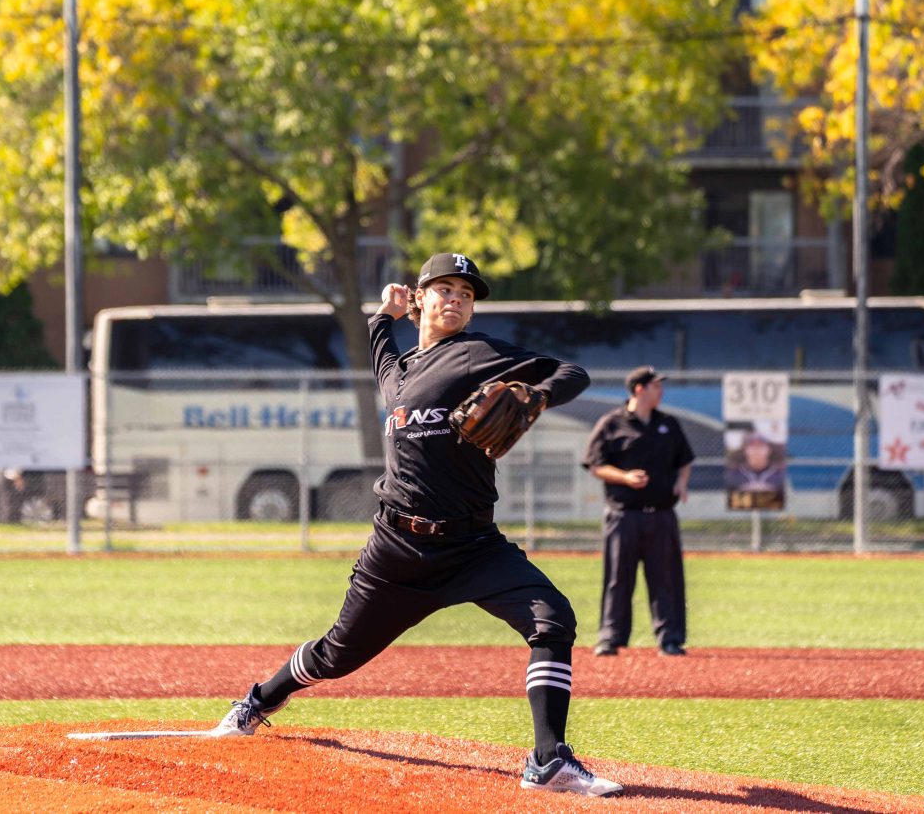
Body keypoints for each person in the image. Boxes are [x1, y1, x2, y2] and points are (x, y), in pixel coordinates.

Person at [214, 252, 622, 798]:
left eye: (466, 294)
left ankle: (549, 761)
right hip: (398, 551)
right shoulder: (398, 372)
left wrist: (539, 394)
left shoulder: (477, 353)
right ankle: (258, 700)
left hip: (474, 546)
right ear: (421, 299)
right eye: (445, 289)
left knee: (553, 620)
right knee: (337, 654)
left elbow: (573, 372)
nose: (457, 299)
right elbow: (381, 346)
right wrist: (383, 314)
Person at [582, 366, 694, 658]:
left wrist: (681, 483)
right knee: (618, 578)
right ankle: (610, 638)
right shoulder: (612, 423)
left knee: (666, 579)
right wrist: (625, 477)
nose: (661, 391)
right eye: (656, 386)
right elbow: (595, 465)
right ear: (639, 389)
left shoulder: (668, 423)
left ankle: (670, 639)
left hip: (661, 515)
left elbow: (685, 459)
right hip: (623, 515)